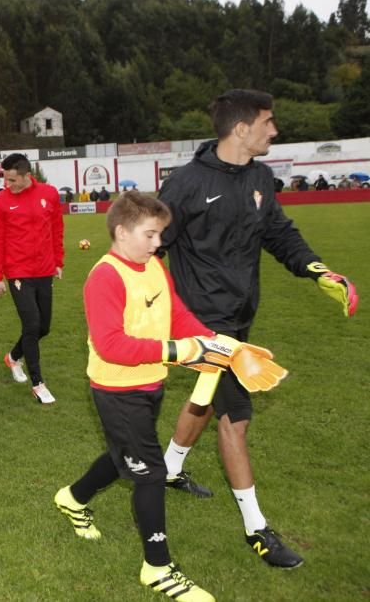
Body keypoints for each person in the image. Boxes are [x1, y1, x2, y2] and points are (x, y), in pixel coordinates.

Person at [158, 89, 358, 568]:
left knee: (206, 402)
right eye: (268, 122)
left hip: (240, 315)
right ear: (241, 128)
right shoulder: (185, 184)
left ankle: (167, 469)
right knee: (236, 417)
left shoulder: (261, 177)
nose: (275, 129)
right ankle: (257, 528)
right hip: (206, 324)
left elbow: (278, 233)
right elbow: (151, 243)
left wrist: (315, 269)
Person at [53, 192, 217, 602]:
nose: (158, 242)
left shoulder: (154, 266)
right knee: (150, 472)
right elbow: (110, 344)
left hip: (149, 383)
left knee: (124, 454)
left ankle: (72, 498)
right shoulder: (105, 277)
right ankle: (157, 567)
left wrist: (211, 341)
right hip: (116, 389)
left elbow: (175, 313)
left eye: (159, 234)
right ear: (122, 233)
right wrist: (178, 352)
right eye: (150, 234)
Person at [0, 153, 64, 404]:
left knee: (43, 328)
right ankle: (38, 383)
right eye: (5, 179)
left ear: (26, 174)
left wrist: (58, 261)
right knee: (32, 325)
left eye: (12, 180)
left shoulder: (49, 194)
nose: (8, 185)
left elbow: (57, 228)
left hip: (44, 269)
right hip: (18, 271)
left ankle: (12, 357)